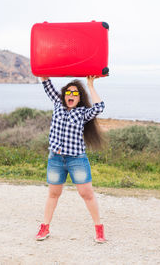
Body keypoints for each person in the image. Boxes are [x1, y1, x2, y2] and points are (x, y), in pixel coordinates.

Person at [36, 76, 107, 243]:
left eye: (75, 93)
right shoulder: (58, 104)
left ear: (79, 97)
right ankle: (45, 227)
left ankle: (99, 229)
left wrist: (90, 84)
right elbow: (46, 81)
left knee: (86, 194)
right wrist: (44, 68)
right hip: (55, 159)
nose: (71, 95)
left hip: (76, 160)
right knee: (53, 194)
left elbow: (99, 107)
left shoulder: (82, 113)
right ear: (64, 95)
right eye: (68, 92)